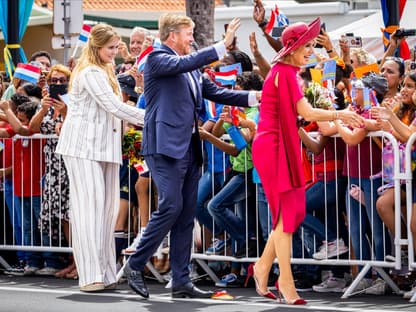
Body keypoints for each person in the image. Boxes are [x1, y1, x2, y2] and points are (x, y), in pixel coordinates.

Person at [124, 13, 260, 299]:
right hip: (164, 147)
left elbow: (216, 92)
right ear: (172, 35)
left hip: (188, 147)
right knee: (171, 206)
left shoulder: (191, 68)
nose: (192, 40)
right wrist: (221, 46)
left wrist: (255, 97)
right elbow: (186, 62)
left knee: (186, 214)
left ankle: (182, 280)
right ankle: (135, 263)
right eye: (189, 34)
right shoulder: (157, 58)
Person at [249, 18, 364, 305]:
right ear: (293, 48)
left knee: (290, 213)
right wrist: (341, 114)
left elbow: (301, 112)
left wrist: (336, 114)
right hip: (273, 146)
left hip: (276, 145)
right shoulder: (286, 73)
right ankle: (285, 281)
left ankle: (262, 267)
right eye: (308, 46)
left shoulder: (285, 71)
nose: (311, 51)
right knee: (286, 216)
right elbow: (308, 112)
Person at [55, 24, 145, 292]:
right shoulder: (90, 72)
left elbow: (118, 107)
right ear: (96, 47)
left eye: (117, 47)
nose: (115, 52)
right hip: (82, 147)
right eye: (111, 48)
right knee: (88, 211)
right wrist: (157, 118)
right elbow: (114, 106)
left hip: (105, 147)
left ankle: (106, 273)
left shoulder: (106, 71)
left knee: (106, 213)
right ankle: (89, 275)